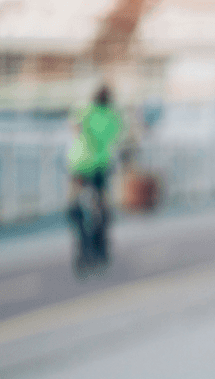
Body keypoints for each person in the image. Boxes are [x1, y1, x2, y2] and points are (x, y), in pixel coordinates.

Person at [67, 85, 123, 273]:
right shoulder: (113, 116)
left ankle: (84, 247)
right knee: (102, 208)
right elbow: (118, 139)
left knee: (74, 208)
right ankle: (100, 246)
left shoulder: (85, 111)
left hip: (79, 166)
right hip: (101, 166)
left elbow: (75, 128)